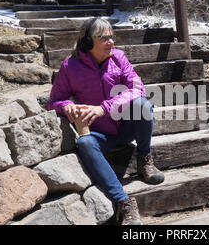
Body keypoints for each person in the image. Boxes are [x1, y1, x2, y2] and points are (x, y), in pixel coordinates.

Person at [47, 18, 165, 225]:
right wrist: (66, 106)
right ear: (86, 42)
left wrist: (104, 108)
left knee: (143, 106)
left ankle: (144, 158)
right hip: (100, 135)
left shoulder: (119, 58)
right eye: (103, 38)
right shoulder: (69, 67)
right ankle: (124, 202)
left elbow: (137, 89)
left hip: (126, 128)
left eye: (112, 37)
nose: (111, 42)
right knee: (84, 143)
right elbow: (54, 101)